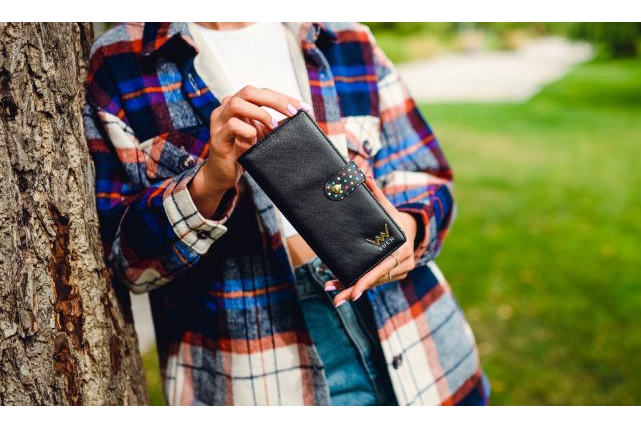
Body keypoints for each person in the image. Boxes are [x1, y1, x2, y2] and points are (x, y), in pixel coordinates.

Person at [84, 22, 488, 405]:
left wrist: (409, 228)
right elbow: (128, 265)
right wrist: (207, 184)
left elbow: (423, 172)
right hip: (258, 370)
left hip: (419, 344)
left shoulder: (343, 35)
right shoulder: (121, 61)